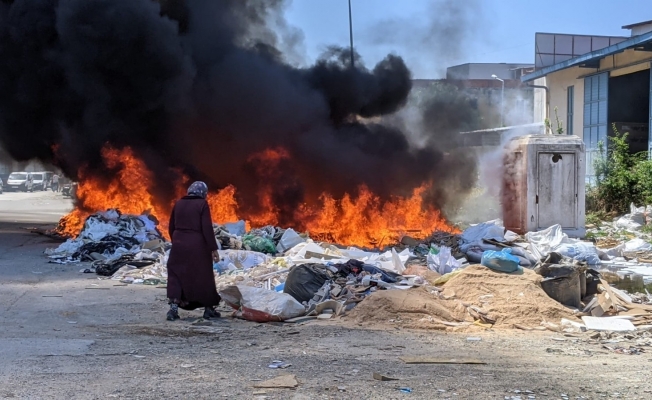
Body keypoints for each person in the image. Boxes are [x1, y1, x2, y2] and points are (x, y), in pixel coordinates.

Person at [166, 181, 221, 321]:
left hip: (178, 244)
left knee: (176, 275)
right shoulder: (202, 204)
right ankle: (208, 309)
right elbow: (207, 228)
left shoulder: (178, 203)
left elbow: (171, 226)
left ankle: (173, 309)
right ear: (203, 193)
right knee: (203, 276)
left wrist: (177, 241)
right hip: (197, 245)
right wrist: (213, 248)